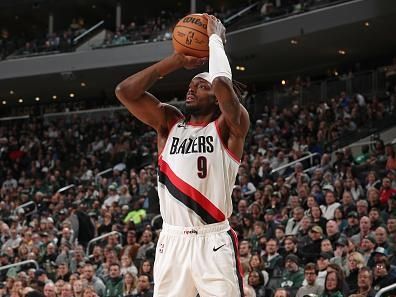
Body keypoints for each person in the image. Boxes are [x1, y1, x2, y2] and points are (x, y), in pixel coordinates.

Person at [115, 13, 250, 297]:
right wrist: (176, 60)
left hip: (212, 239)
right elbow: (125, 92)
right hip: (172, 240)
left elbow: (225, 86)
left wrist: (215, 41)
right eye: (190, 86)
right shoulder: (169, 123)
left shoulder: (230, 126)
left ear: (216, 96)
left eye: (201, 86)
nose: (191, 89)